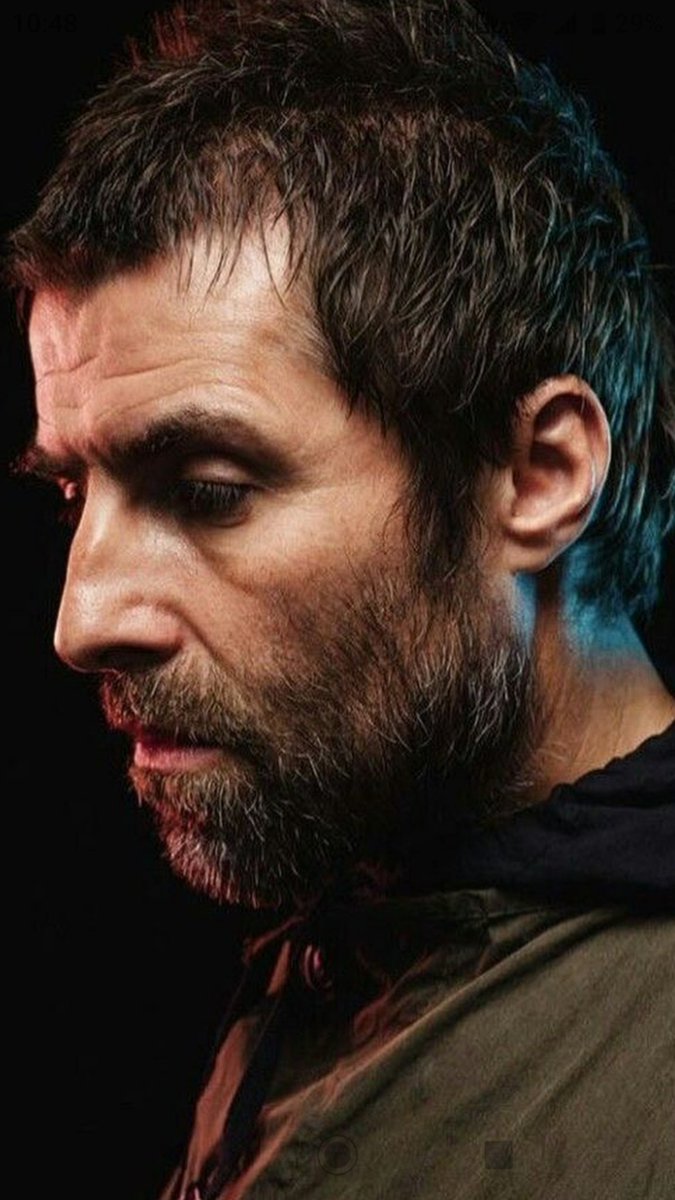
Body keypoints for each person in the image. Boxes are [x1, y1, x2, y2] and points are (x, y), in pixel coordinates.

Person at [6, 1, 674, 1197]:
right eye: (72, 495)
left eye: (207, 491)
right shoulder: (365, 882)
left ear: (539, 474)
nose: (81, 622)